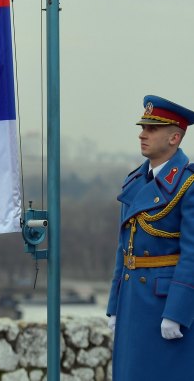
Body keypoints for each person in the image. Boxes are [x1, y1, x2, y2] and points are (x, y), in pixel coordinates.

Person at [107, 95, 194, 381]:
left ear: (174, 137)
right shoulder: (135, 182)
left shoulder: (188, 185)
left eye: (151, 129)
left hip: (165, 303)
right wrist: (114, 304)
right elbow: (124, 248)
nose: (142, 134)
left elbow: (191, 254)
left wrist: (178, 312)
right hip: (133, 300)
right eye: (143, 127)